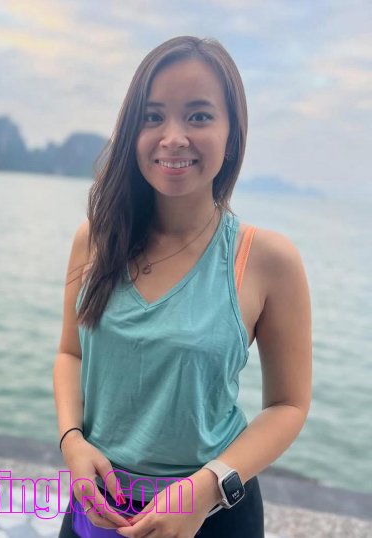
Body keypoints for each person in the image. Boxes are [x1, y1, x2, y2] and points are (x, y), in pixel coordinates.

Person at [53, 36, 312, 538]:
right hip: (98, 503)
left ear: (232, 135)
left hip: (211, 513)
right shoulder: (96, 240)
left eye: (198, 116)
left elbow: (288, 405)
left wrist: (208, 487)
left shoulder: (267, 260)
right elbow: (70, 354)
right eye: (152, 117)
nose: (173, 137)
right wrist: (72, 442)